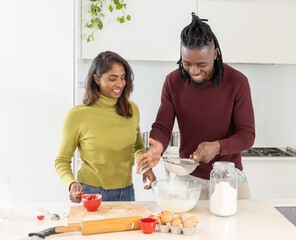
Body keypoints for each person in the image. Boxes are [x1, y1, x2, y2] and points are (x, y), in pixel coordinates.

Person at [136, 12, 255, 200]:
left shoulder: (237, 82)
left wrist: (218, 147)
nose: (194, 71)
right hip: (188, 179)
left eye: (202, 64)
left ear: (215, 54)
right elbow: (162, 126)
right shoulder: (173, 82)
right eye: (187, 64)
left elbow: (247, 136)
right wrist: (157, 147)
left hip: (228, 178)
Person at [55, 51, 156, 203]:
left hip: (127, 193)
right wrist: (71, 184)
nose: (120, 84)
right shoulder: (77, 115)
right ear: (96, 79)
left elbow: (137, 148)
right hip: (92, 193)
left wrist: (145, 167)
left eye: (123, 78)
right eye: (112, 78)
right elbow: (61, 161)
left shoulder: (132, 110)